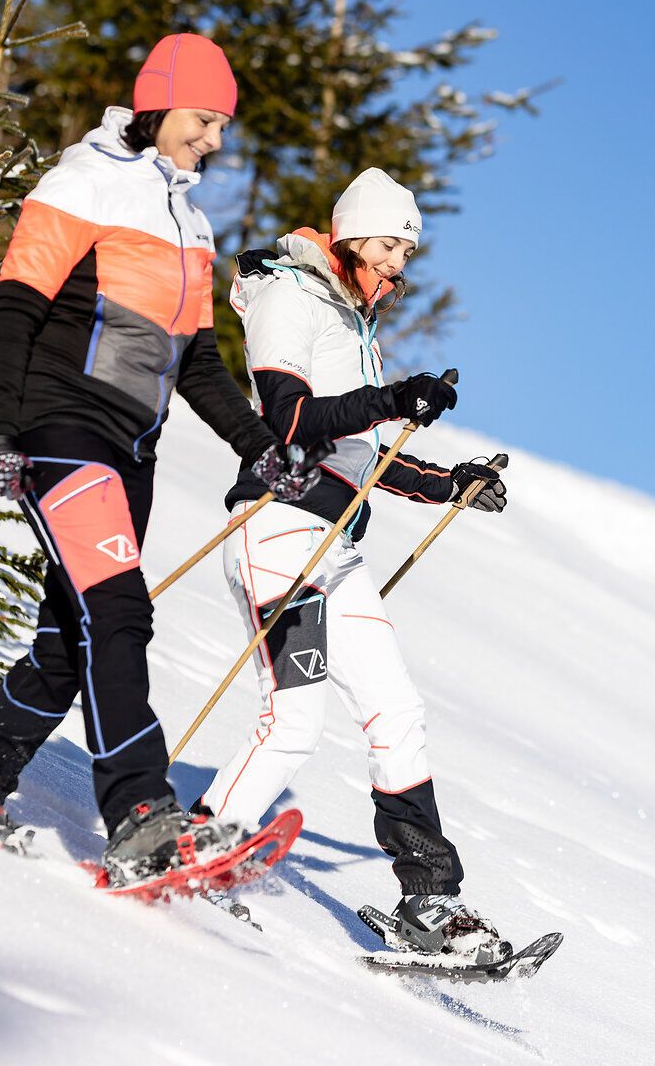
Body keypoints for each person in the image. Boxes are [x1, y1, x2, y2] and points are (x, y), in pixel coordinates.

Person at [0, 32, 323, 888]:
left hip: (131, 449)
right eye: (203, 119)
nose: (215, 141)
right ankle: (139, 813)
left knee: (73, 637)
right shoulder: (84, 183)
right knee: (118, 613)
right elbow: (13, 310)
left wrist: (263, 445)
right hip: (61, 429)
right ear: (157, 105)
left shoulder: (190, 219)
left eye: (223, 125)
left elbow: (193, 360)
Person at [193, 167, 511, 962]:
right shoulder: (289, 297)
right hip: (280, 529)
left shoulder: (352, 320)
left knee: (397, 710)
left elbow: (363, 455)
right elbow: (292, 420)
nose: (401, 261)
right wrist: (393, 396)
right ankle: (195, 846)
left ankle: (430, 901)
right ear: (349, 235)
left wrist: (452, 484)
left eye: (409, 247)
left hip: (336, 546)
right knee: (292, 720)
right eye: (390, 242)